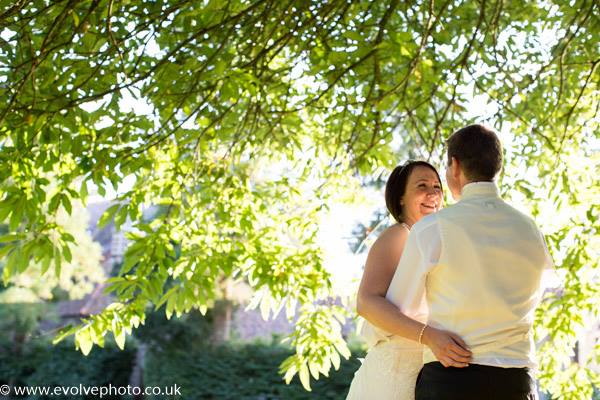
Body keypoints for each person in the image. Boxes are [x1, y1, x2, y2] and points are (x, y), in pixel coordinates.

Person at [395, 124, 552, 399]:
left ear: (455, 166)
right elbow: (538, 294)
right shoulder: (530, 229)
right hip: (516, 382)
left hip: (451, 381)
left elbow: (401, 305)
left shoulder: (433, 228)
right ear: (497, 167)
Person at [346, 160, 473, 400]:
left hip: (426, 375)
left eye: (437, 186)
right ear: (401, 198)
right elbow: (366, 302)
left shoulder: (438, 241)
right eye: (422, 185)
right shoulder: (399, 235)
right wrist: (429, 336)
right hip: (394, 375)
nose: (433, 193)